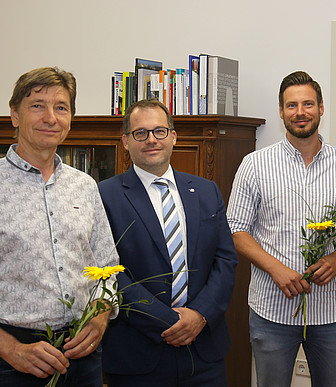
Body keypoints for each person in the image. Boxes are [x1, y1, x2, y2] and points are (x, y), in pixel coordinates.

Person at [227, 71, 336, 387]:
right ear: (281, 112)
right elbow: (235, 228)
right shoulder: (255, 165)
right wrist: (276, 269)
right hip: (271, 311)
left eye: (308, 104)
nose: (300, 112)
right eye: (291, 105)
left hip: (331, 312)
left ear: (321, 108)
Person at [98, 99, 238, 386]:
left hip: (204, 351)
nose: (151, 140)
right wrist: (166, 321)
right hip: (136, 355)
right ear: (125, 141)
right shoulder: (103, 196)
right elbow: (107, 272)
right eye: (140, 133)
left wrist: (199, 315)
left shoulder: (206, 190)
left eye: (159, 131)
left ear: (173, 137)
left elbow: (225, 261)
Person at [0, 67, 119, 386]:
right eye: (37, 105)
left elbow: (107, 267)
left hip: (82, 355)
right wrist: (11, 348)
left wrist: (101, 315)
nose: (50, 117)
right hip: (13, 360)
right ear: (14, 115)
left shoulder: (85, 186)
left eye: (61, 107)